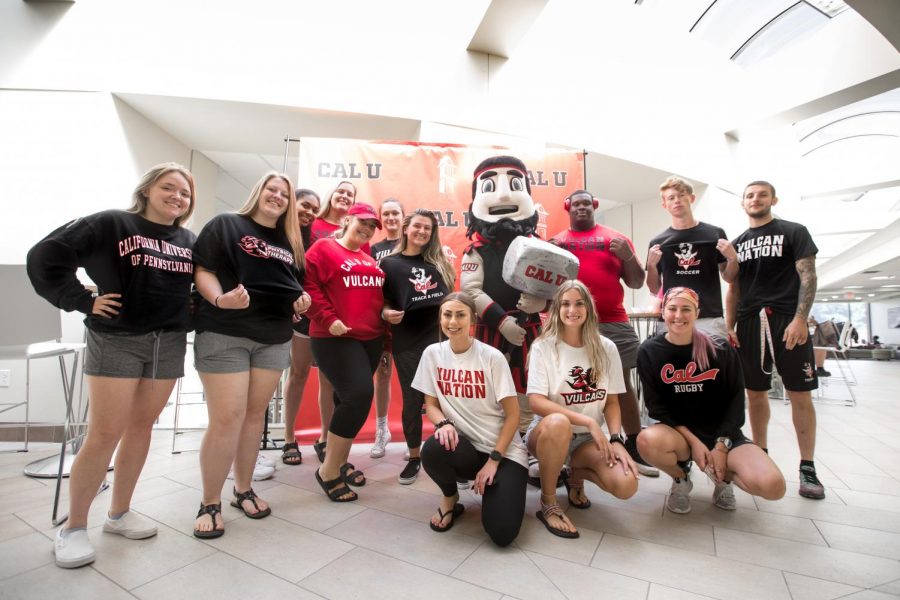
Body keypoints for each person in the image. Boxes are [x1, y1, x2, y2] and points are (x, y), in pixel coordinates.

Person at [27, 163, 197, 568]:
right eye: (168, 187)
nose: (177, 196)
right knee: (104, 433)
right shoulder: (111, 223)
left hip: (168, 342)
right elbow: (45, 257)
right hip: (117, 338)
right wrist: (83, 300)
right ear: (147, 189)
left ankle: (118, 514)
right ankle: (73, 528)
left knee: (141, 428)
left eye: (185, 193)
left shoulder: (189, 239)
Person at [191, 171, 310, 538]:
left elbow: (290, 288)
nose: (277, 196)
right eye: (271, 189)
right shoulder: (227, 224)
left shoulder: (290, 242)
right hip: (225, 333)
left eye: (284, 194)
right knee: (227, 418)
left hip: (272, 338)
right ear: (258, 192)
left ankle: (243, 489)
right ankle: (209, 501)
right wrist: (220, 300)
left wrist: (299, 303)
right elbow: (203, 270)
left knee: (253, 417)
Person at [638, 287, 785, 514]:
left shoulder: (720, 347)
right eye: (672, 309)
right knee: (647, 440)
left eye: (686, 309)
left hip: (723, 434)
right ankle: (681, 479)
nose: (679, 316)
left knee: (773, 487)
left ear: (697, 312)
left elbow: (737, 401)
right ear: (663, 312)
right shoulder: (649, 351)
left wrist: (721, 446)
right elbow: (657, 407)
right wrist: (694, 443)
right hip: (680, 436)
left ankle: (723, 480)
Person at [726, 180, 824, 499]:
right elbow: (734, 289)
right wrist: (731, 326)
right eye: (750, 195)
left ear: (774, 199)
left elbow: (807, 275)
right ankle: (762, 452)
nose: (755, 199)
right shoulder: (738, 242)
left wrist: (799, 318)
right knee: (755, 393)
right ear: (743, 203)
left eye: (762, 194)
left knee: (800, 393)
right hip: (750, 321)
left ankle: (807, 466)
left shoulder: (794, 231)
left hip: (786, 319)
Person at [551, 190, 658, 477]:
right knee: (567, 382)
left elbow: (636, 282)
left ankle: (634, 444)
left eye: (587, 203)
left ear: (595, 206)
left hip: (612, 321)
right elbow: (546, 286)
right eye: (577, 204)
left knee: (621, 383)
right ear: (568, 208)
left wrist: (629, 258)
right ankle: (566, 448)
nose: (582, 208)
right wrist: (548, 257)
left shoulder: (615, 238)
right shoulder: (558, 242)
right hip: (571, 322)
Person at [413, 293, 528, 546]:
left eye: (460, 314)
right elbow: (430, 405)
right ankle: (450, 498)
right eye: (447, 314)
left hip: (504, 453)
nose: (453, 321)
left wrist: (494, 461)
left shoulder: (492, 357)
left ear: (473, 319)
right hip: (467, 449)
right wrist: (443, 423)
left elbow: (513, 416)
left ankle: (497, 490)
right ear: (440, 318)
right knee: (433, 448)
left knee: (502, 534)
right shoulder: (432, 354)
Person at [526, 281, 639, 538]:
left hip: (587, 441)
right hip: (549, 433)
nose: (572, 309)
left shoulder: (606, 347)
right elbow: (536, 402)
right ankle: (548, 502)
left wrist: (615, 439)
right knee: (558, 423)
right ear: (557, 309)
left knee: (626, 485)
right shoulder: (544, 346)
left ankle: (574, 474)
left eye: (579, 303)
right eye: (565, 303)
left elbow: (611, 401)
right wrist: (587, 421)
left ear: (589, 308)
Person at [305, 202, 386, 502]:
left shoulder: (368, 257)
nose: (366, 229)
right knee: (359, 395)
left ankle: (339, 461)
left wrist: (386, 328)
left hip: (372, 338)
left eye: (371, 227)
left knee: (346, 400)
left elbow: (376, 299)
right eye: (362, 222)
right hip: (335, 336)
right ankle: (327, 471)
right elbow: (309, 287)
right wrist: (329, 318)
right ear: (348, 219)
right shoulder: (324, 249)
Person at [381, 208, 454, 483]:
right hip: (407, 341)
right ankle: (414, 457)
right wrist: (386, 314)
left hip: (441, 340)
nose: (423, 232)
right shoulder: (389, 264)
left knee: (448, 400)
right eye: (418, 227)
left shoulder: (440, 262)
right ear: (405, 229)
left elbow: (451, 302)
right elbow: (383, 302)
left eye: (428, 228)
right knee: (412, 401)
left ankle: (452, 452)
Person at [646, 176, 738, 336]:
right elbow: (654, 288)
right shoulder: (658, 242)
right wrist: (651, 266)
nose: (677, 201)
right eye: (671, 198)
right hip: (674, 319)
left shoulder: (715, 233)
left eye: (681, 195)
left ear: (692, 198)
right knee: (673, 361)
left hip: (709, 317)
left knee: (713, 361)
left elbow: (729, 277)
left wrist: (732, 258)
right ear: (664, 205)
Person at [307, 180, 358, 463]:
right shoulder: (312, 226)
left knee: (336, 383)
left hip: (342, 320)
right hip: (313, 313)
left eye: (350, 194)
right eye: (341, 191)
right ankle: (320, 438)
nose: (344, 196)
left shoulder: (355, 237)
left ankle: (329, 439)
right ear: (332, 195)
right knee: (312, 377)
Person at [281, 188, 321, 465]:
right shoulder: (276, 233)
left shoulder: (313, 238)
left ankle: (325, 440)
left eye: (313, 210)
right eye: (304, 206)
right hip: (292, 319)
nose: (308, 213)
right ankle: (288, 438)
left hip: (320, 315)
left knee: (328, 380)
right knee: (298, 373)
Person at [369, 198, 404, 459]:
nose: (391, 217)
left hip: (409, 318)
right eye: (387, 214)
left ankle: (413, 435)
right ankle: (382, 430)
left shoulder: (413, 243)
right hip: (381, 318)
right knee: (383, 374)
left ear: (403, 217)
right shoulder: (373, 249)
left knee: (413, 376)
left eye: (396, 213)